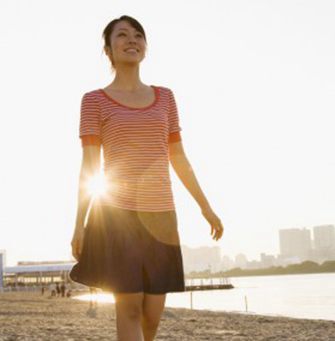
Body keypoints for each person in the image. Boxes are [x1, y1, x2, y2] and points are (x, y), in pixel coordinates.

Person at [70, 15, 224, 341]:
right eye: (122, 35)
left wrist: (205, 207)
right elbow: (89, 168)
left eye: (138, 35)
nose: (131, 40)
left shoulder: (165, 97)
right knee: (127, 308)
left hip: (162, 216)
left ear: (145, 47)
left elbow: (178, 157)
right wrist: (79, 225)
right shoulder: (93, 101)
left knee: (151, 316)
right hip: (116, 217)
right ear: (108, 50)